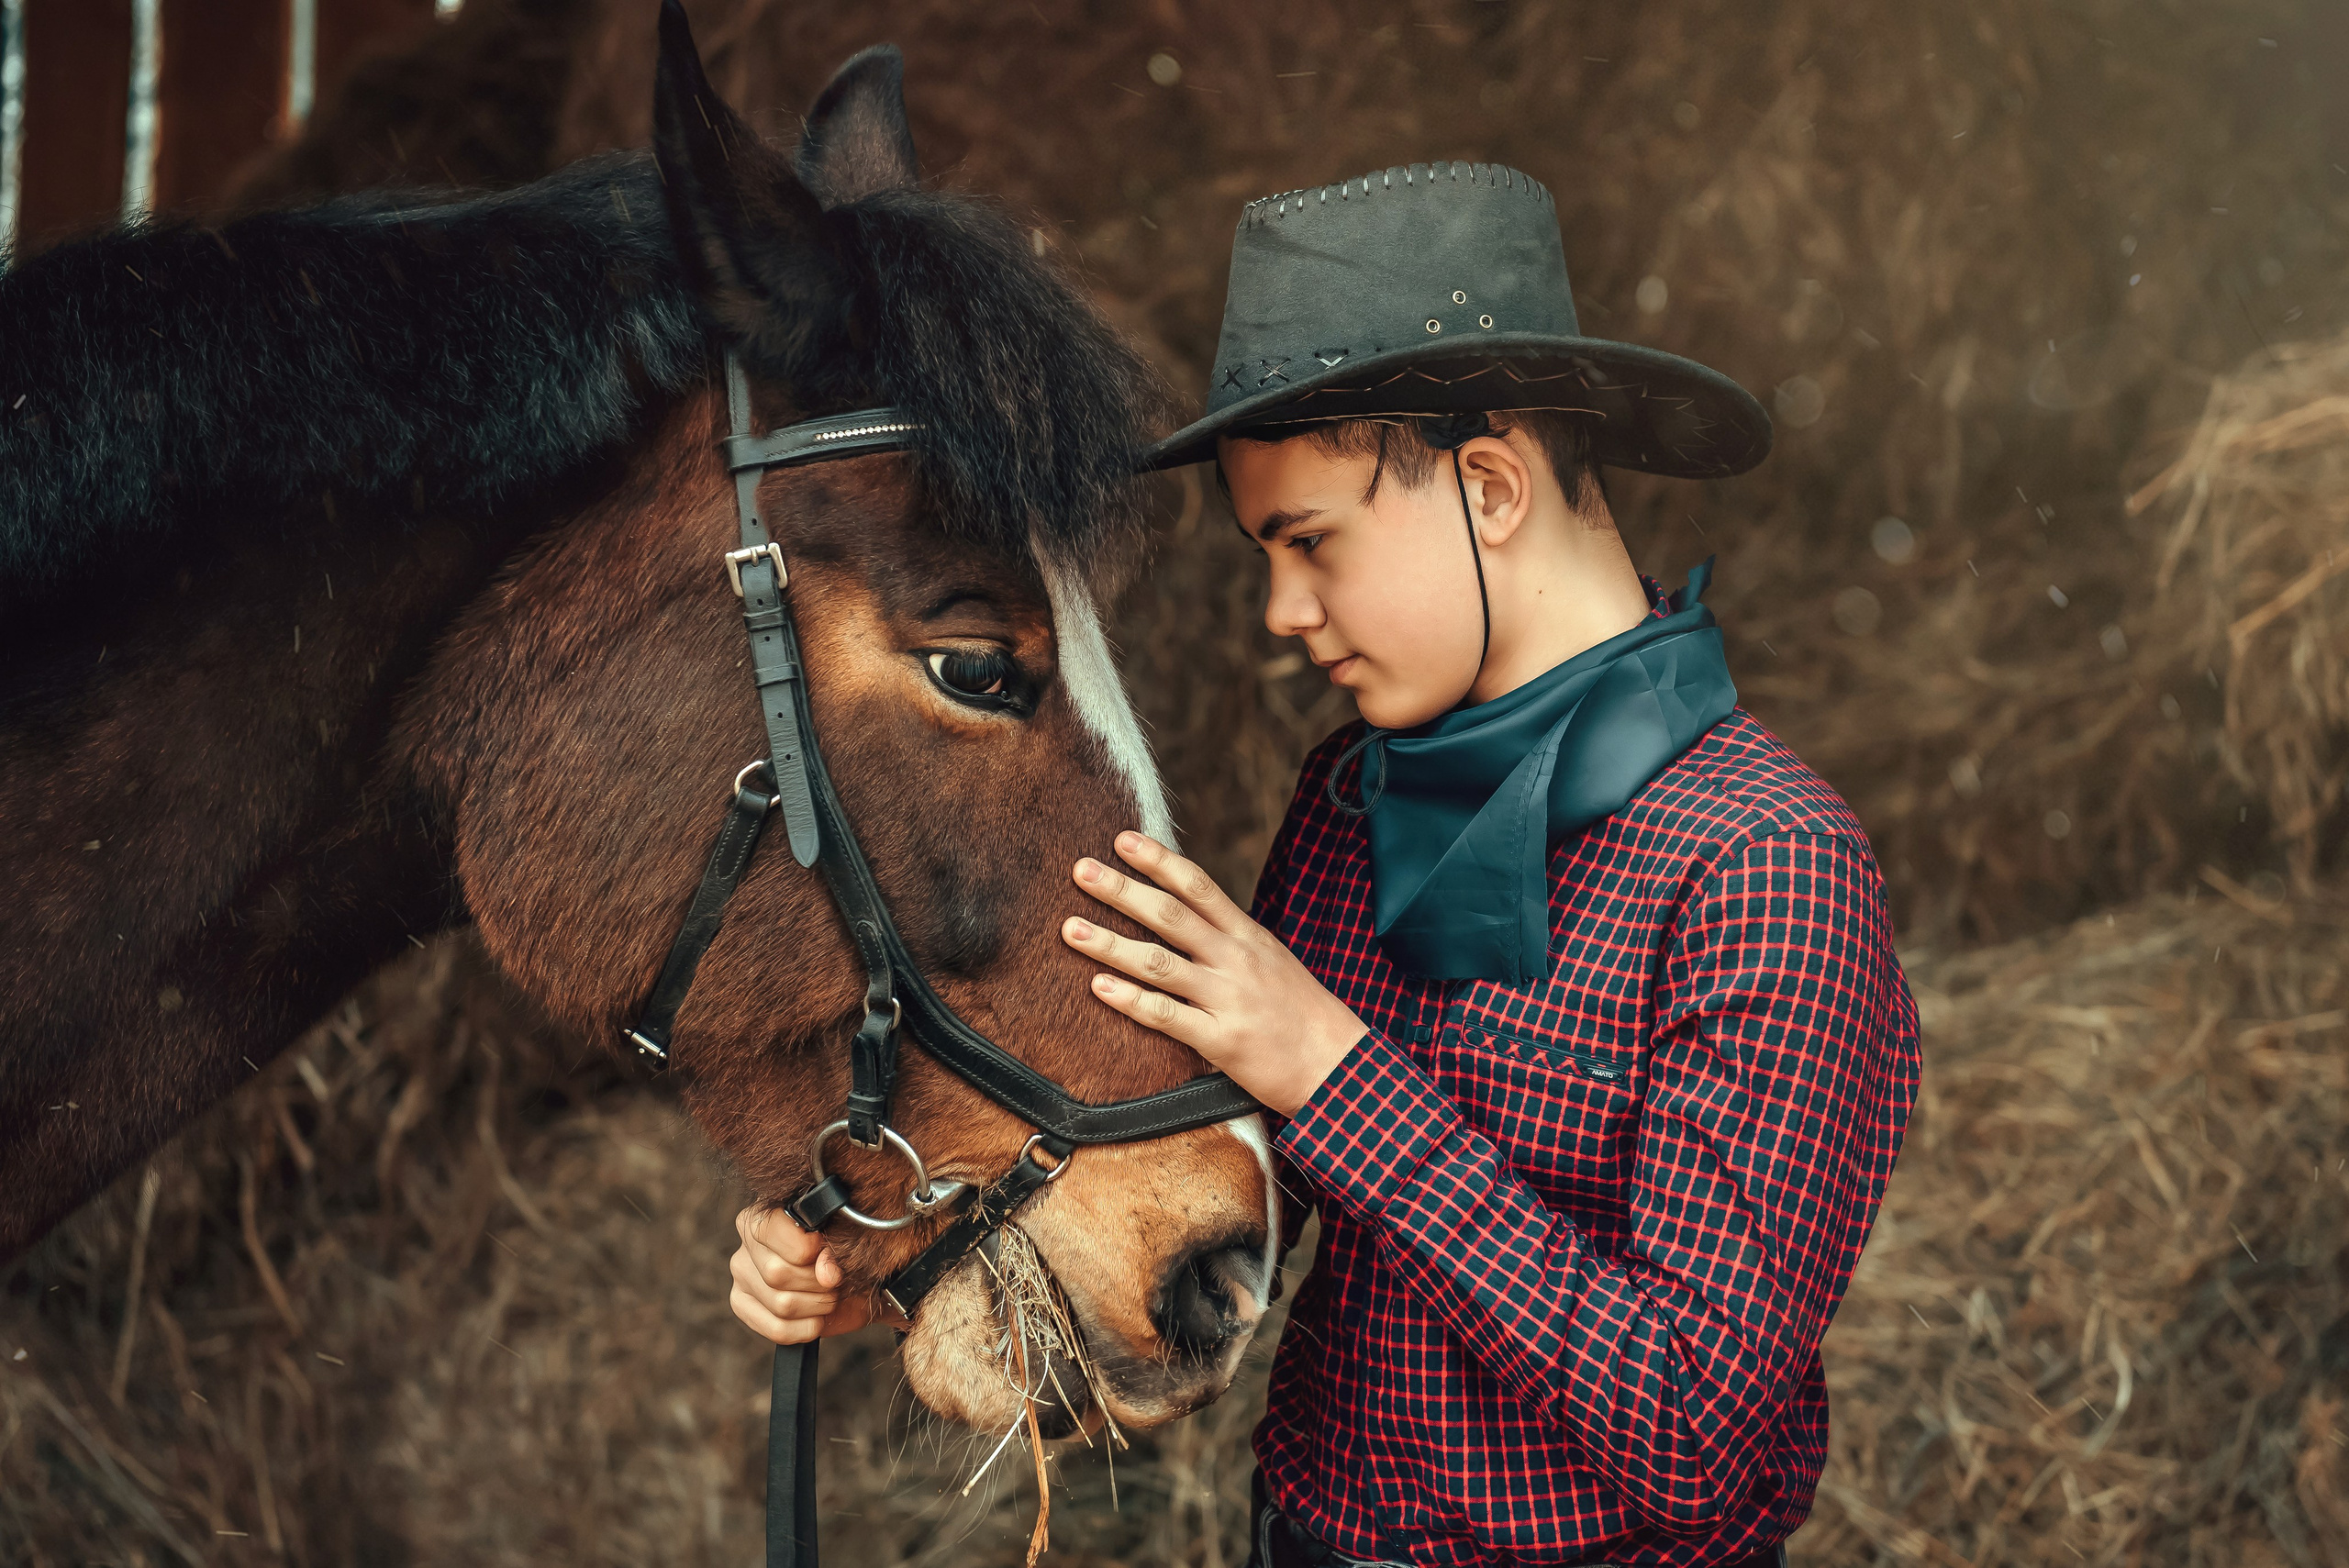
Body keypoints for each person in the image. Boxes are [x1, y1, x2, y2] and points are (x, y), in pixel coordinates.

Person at [729, 161, 1921, 1568]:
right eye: (1265, 553)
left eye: (1311, 543)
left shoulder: (1769, 869)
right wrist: (910, 1264)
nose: (1282, 610)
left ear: (1490, 487)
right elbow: (1237, 1196)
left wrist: (1335, 1071)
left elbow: (1690, 1428)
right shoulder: (1350, 796)